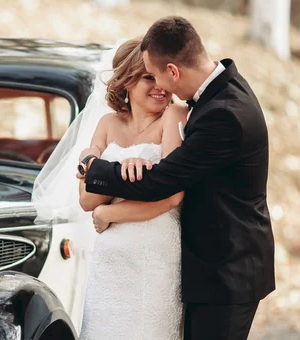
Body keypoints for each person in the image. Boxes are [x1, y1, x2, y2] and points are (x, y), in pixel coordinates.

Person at [79, 16, 276, 340]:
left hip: (226, 269)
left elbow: (163, 182)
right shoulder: (220, 92)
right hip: (207, 266)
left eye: (157, 75)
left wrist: (91, 165)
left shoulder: (223, 114)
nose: (160, 87)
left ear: (173, 71)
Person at [33, 37, 187, 340]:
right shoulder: (107, 124)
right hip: (110, 262)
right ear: (126, 81)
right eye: (148, 78)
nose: (160, 86)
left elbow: (172, 196)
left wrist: (110, 212)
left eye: (162, 77)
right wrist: (114, 171)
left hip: (155, 257)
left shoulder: (174, 117)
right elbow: (87, 200)